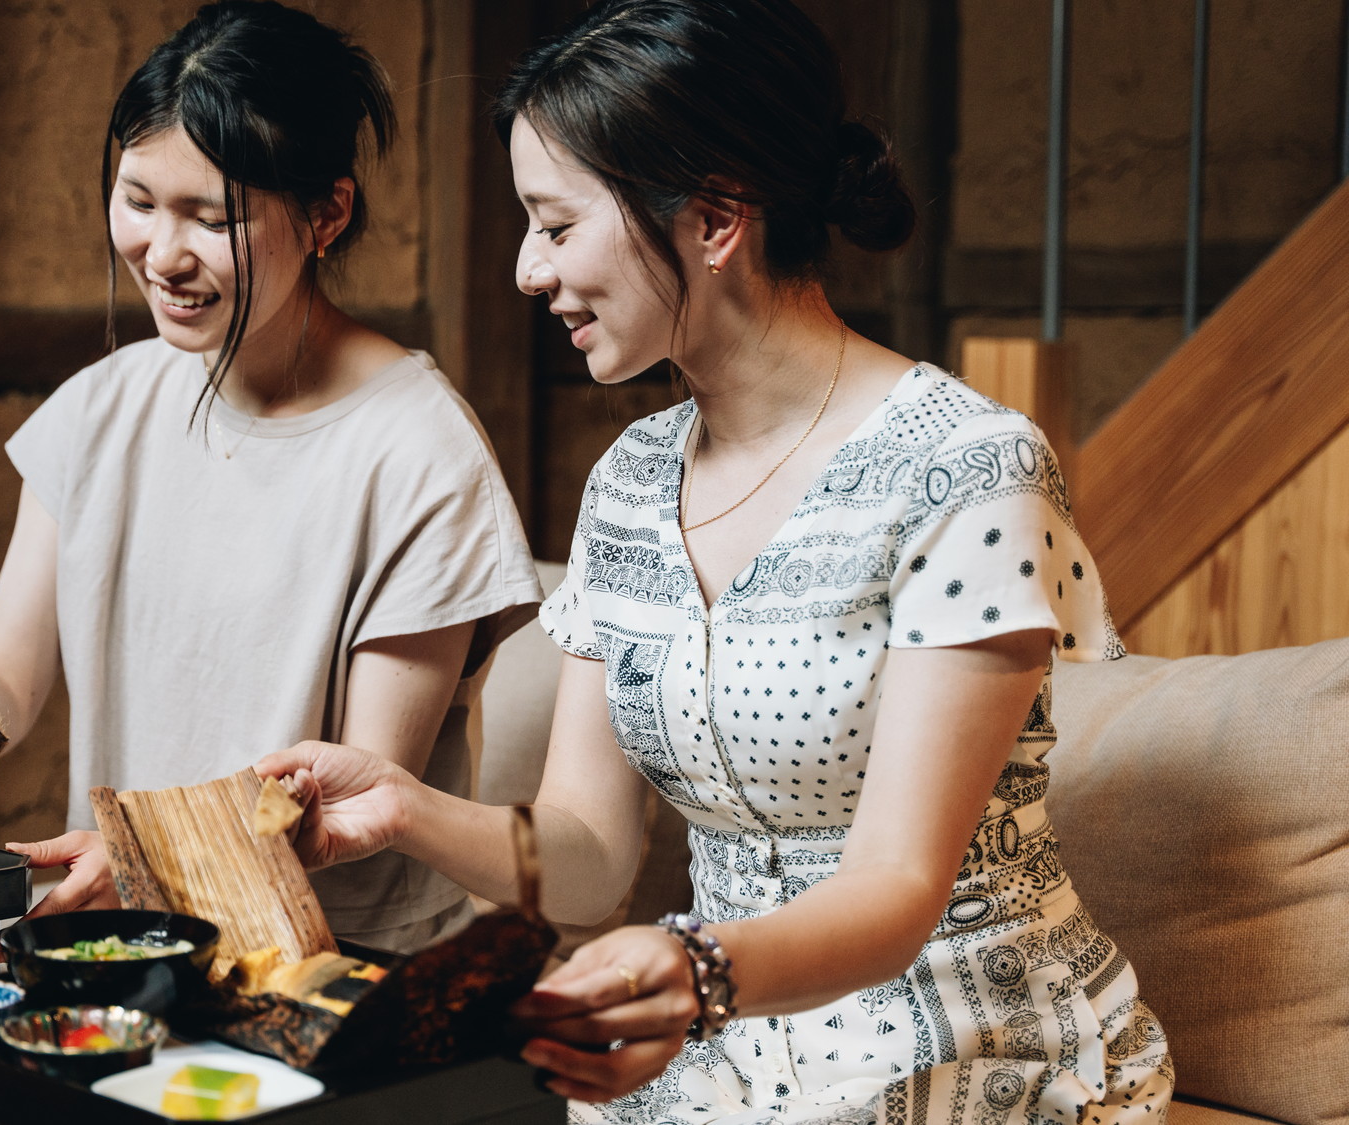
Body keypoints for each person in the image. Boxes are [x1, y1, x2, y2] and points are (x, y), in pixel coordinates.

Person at [257, 0, 1173, 1119]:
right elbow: (587, 857)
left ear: (713, 218)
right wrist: (402, 807)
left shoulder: (967, 470)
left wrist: (692, 971)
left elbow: (894, 889)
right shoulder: (630, 483)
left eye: (553, 225)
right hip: (719, 1046)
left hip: (967, 1039)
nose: (524, 272)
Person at [0, 0, 540, 953]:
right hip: (134, 939)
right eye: (138, 201)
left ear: (328, 212)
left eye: (211, 218)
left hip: (333, 965)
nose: (162, 255)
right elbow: (2, 687)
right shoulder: (101, 409)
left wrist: (145, 860)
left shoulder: (419, 452)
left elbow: (355, 794)